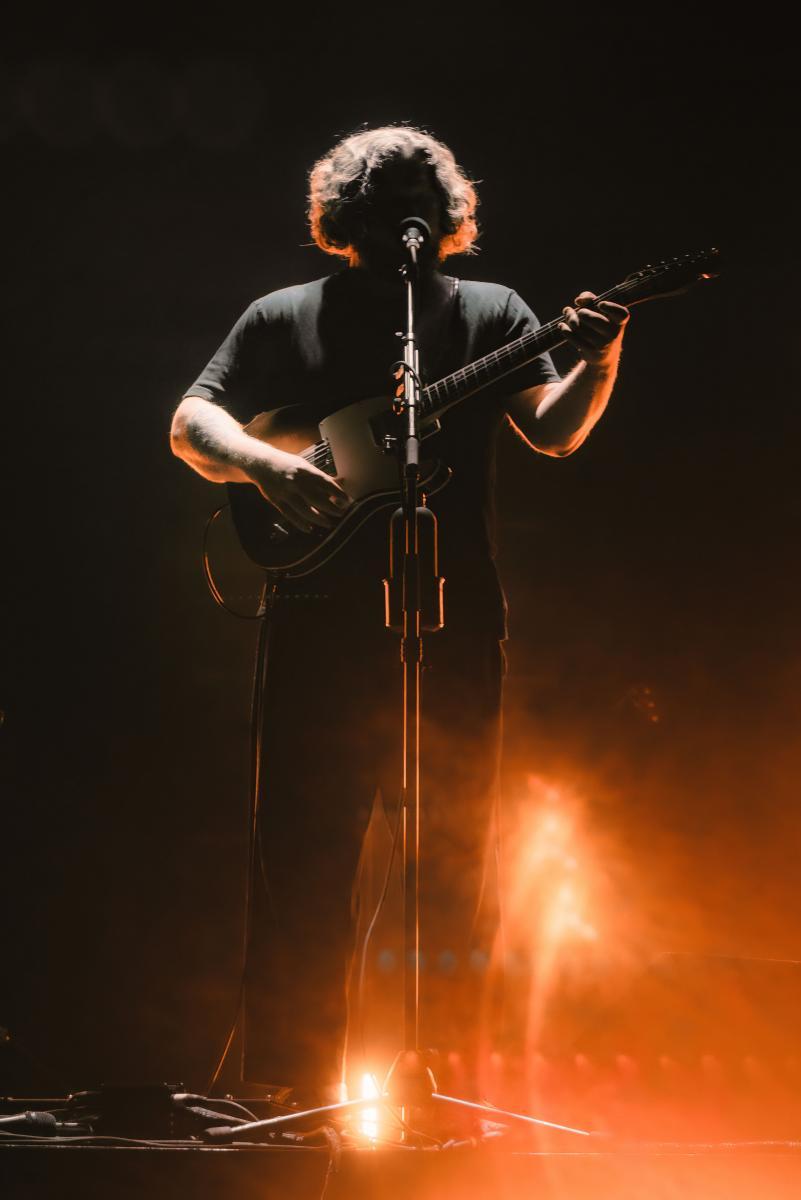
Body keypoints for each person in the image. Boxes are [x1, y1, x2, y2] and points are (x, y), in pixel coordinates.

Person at [170, 125, 629, 1102]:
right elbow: (191, 423)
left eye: (422, 194)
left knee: (450, 869)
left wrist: (600, 359)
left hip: (452, 619)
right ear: (347, 213)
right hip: (316, 619)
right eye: (385, 198)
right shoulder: (282, 314)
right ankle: (288, 1097)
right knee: (302, 860)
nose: (406, 214)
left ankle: (438, 1093)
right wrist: (261, 464)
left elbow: (553, 433)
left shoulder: (493, 311)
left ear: (449, 209)